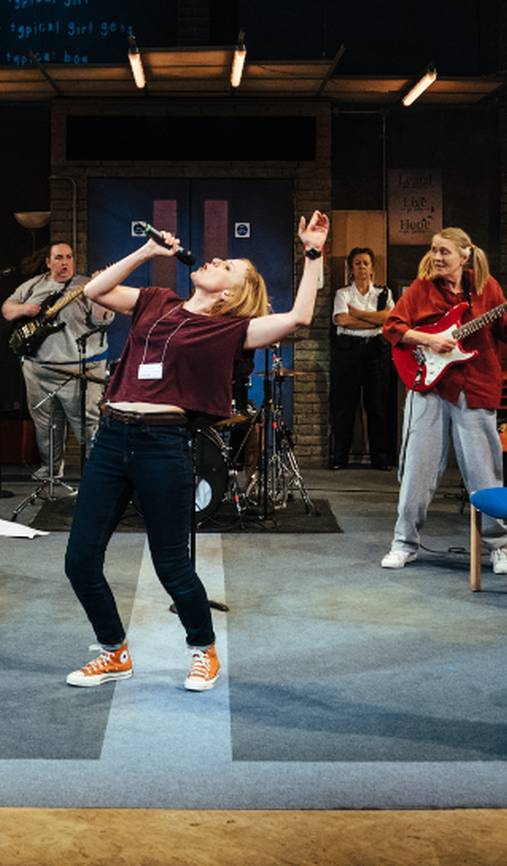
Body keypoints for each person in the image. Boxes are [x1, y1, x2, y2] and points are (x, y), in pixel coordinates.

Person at [63, 210, 329, 691]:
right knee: (79, 561)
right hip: (111, 438)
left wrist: (313, 252)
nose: (215, 260)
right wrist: (147, 252)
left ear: (229, 293)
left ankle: (203, 650)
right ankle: (113, 651)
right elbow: (94, 291)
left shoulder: (230, 331)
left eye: (227, 265)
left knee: (172, 565)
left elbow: (300, 317)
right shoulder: (156, 300)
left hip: (162, 446)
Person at [381, 227, 507, 571]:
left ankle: (499, 546)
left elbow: (503, 332)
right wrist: (428, 339)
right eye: (434, 250)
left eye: (444, 252)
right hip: (429, 387)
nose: (437, 257)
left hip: (477, 385)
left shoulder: (487, 288)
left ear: (464, 256)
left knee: (485, 472)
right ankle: (404, 543)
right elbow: (392, 327)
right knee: (417, 471)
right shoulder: (421, 290)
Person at [1, 242, 113, 480]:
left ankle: (98, 475)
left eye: (69, 257)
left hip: (78, 371)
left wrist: (101, 291)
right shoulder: (35, 284)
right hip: (38, 368)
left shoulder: (86, 286)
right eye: (59, 257)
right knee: (45, 424)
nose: (65, 263)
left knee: (88, 425)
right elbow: (7, 309)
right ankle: (50, 469)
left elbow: (101, 320)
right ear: (49, 262)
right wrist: (24, 309)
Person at [331, 247, 394, 470]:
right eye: (357, 263)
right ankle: (340, 458)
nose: (362, 267)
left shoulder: (383, 293)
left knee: (376, 407)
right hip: (348, 351)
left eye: (365, 263)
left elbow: (388, 321)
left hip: (375, 351)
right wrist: (374, 320)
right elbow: (343, 321)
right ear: (351, 268)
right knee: (345, 406)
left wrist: (357, 313)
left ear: (372, 267)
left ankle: (380, 459)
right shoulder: (343, 294)